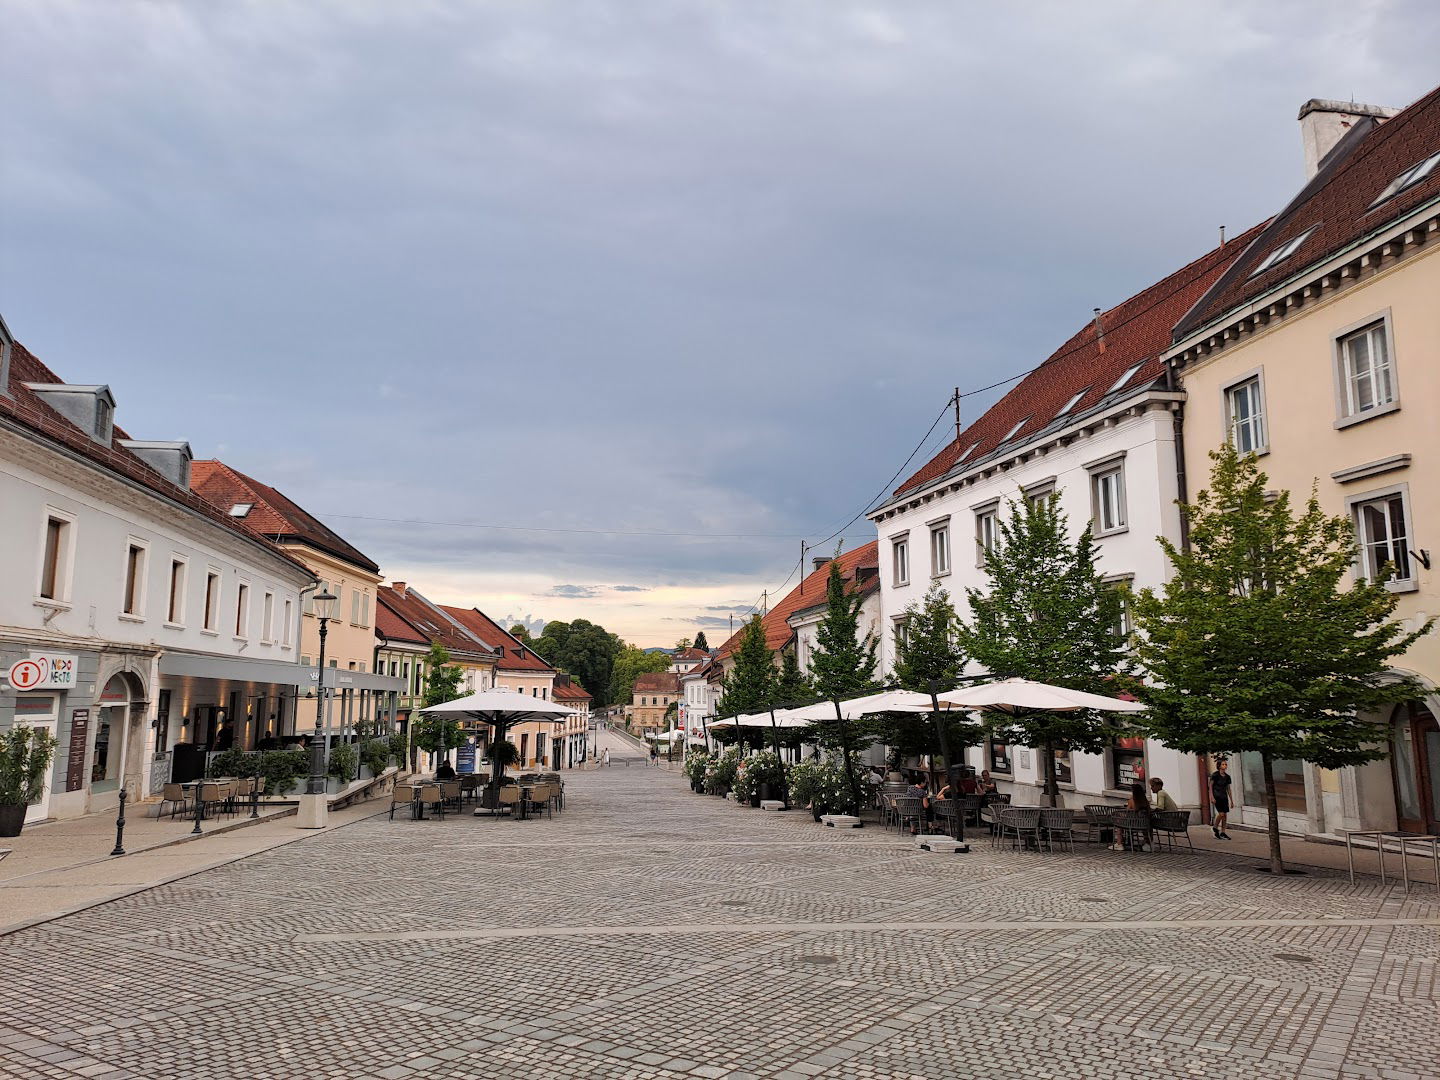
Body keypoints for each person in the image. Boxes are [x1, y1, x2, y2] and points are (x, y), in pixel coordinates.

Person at [1210, 756, 1233, 840]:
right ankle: (1215, 827)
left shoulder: (1227, 777)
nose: (1225, 766)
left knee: (1225, 815)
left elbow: (1228, 788)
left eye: (1226, 764)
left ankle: (1223, 832)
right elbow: (1211, 786)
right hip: (1217, 796)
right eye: (1223, 764)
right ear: (1219, 766)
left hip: (1224, 797)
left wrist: (1231, 800)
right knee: (1221, 814)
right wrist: (1211, 797)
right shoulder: (1215, 775)